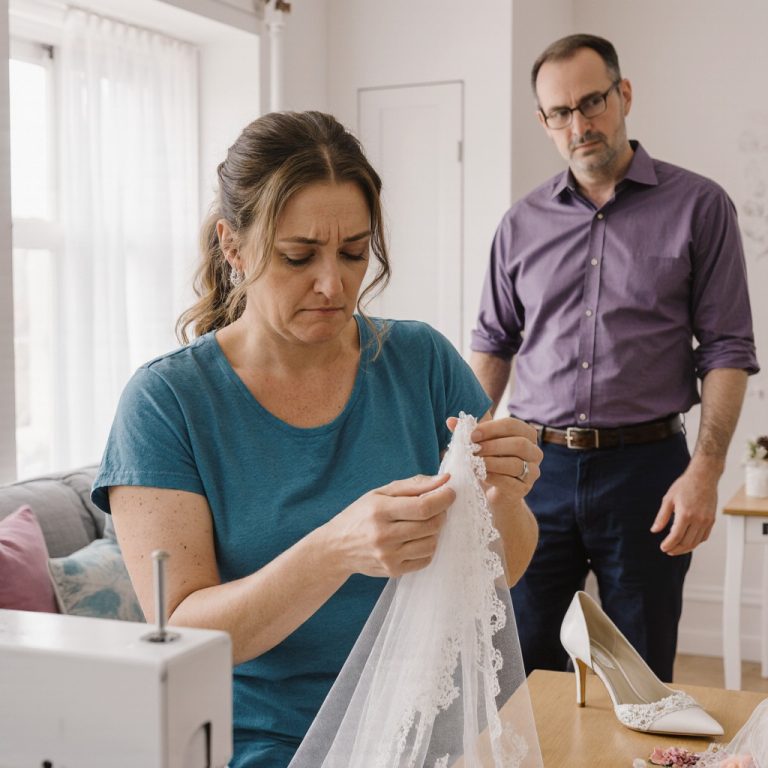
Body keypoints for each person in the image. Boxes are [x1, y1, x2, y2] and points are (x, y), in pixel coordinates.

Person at [91, 111, 542, 768]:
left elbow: (509, 565)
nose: (333, 285)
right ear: (233, 246)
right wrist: (337, 549)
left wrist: (504, 497)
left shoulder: (420, 361)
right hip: (269, 744)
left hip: (432, 730)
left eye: (354, 252)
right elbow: (185, 625)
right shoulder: (167, 404)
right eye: (298, 256)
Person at [470, 34, 759, 683]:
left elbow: (728, 350)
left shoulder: (699, 207)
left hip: (648, 474)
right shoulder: (519, 225)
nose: (581, 124)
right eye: (560, 113)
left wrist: (707, 472)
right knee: (524, 668)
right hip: (535, 471)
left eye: (592, 101)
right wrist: (459, 465)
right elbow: (493, 344)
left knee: (639, 671)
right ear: (544, 123)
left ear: (623, 94)